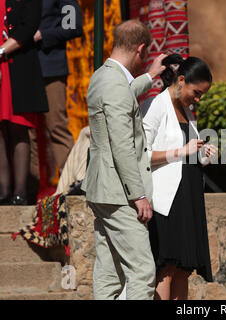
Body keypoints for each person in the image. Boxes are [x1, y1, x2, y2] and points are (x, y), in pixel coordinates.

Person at [81, 19, 167, 300]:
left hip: (102, 189)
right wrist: (138, 194)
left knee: (110, 274)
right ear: (141, 48)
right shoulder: (116, 84)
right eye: (145, 57)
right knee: (142, 271)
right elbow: (122, 145)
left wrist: (150, 76)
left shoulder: (101, 76)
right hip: (119, 192)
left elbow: (122, 97)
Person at [142, 54, 217, 300]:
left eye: (201, 96)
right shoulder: (155, 106)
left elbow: (188, 152)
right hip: (167, 199)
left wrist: (204, 153)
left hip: (189, 197)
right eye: (196, 93)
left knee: (184, 268)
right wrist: (181, 151)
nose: (197, 99)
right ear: (181, 80)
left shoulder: (188, 111)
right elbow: (140, 154)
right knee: (167, 267)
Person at [0, 0, 49, 205]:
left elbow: (28, 27)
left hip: (16, 65)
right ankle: (2, 192)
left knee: (18, 127)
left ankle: (20, 192)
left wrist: (1, 51)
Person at [30, 0, 83, 182]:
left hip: (50, 68)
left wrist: (42, 35)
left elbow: (73, 26)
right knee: (26, 129)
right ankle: (29, 187)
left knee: (56, 125)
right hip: (22, 68)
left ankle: (73, 182)